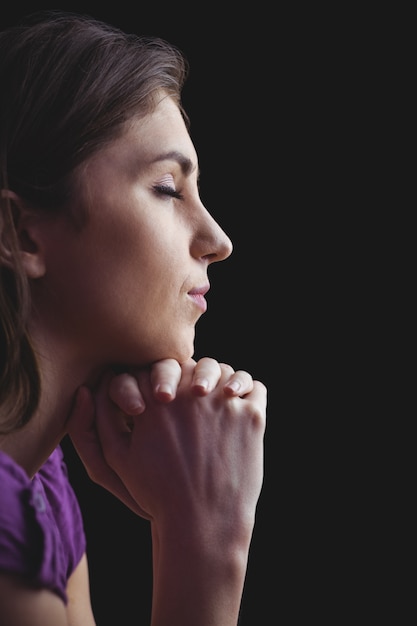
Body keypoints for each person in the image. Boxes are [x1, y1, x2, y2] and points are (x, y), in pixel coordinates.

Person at [0, 10, 267, 626]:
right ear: (20, 234)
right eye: (169, 189)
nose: (218, 239)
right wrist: (206, 542)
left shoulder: (42, 489)